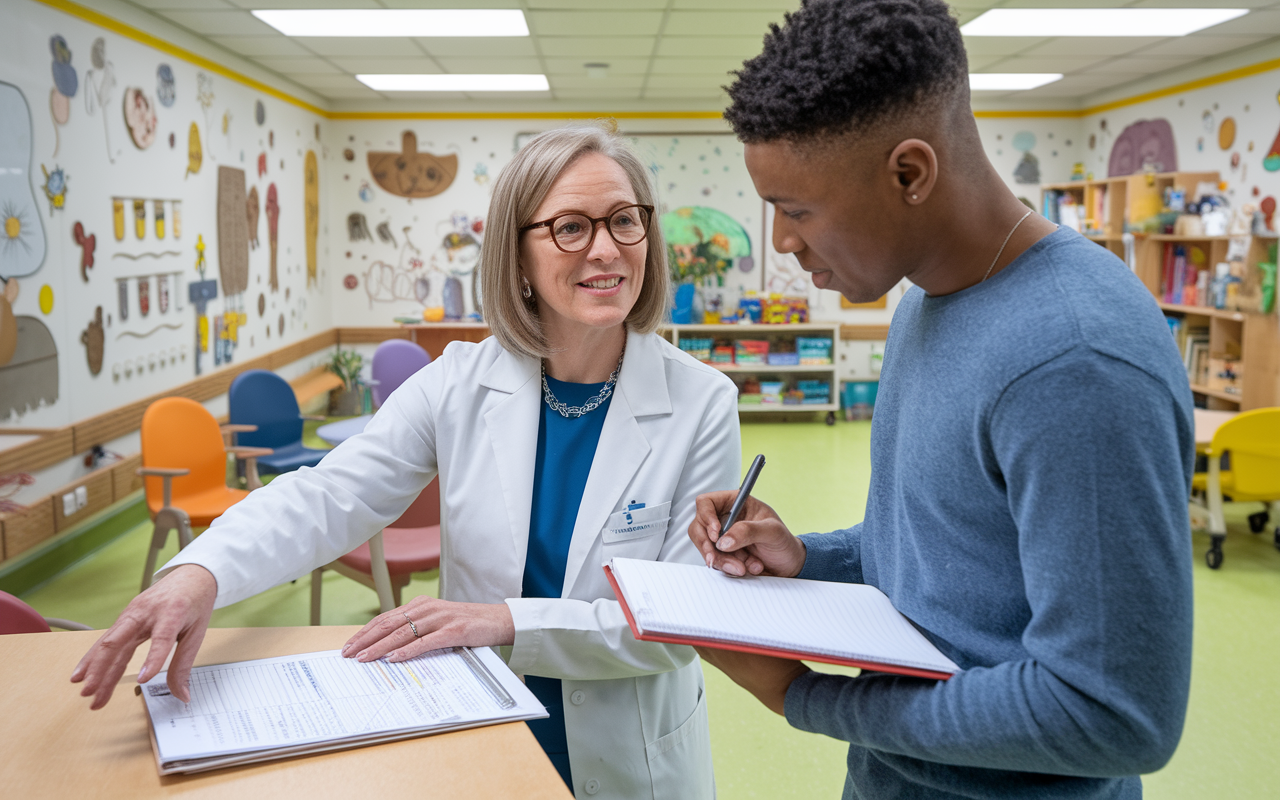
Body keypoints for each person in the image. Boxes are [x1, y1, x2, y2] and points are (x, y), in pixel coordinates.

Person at [71, 124, 740, 800]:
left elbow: (678, 626)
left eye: (624, 221)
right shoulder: (459, 382)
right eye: (570, 227)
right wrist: (200, 572)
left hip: (636, 754)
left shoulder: (702, 402)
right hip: (481, 718)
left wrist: (503, 620)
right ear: (518, 255)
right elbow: (332, 495)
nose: (607, 248)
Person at [688, 2, 1194, 799]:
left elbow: (1114, 713)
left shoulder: (1075, 359)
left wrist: (805, 694)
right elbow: (950, 546)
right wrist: (811, 559)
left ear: (909, 173)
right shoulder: (925, 298)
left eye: (796, 209)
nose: (782, 242)